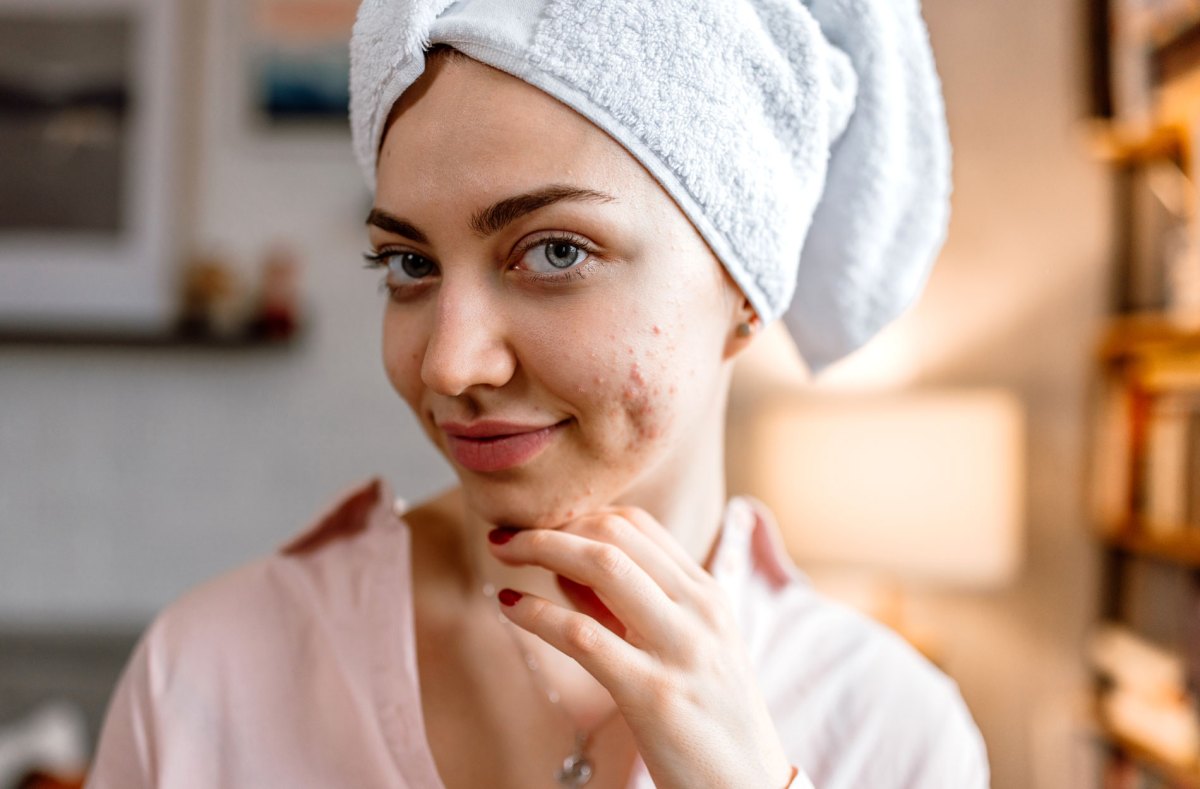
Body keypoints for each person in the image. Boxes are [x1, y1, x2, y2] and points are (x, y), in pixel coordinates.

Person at [88, 1, 989, 787]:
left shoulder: (891, 731)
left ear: (745, 286)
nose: (450, 364)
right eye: (409, 264)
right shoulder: (212, 672)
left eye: (556, 251)